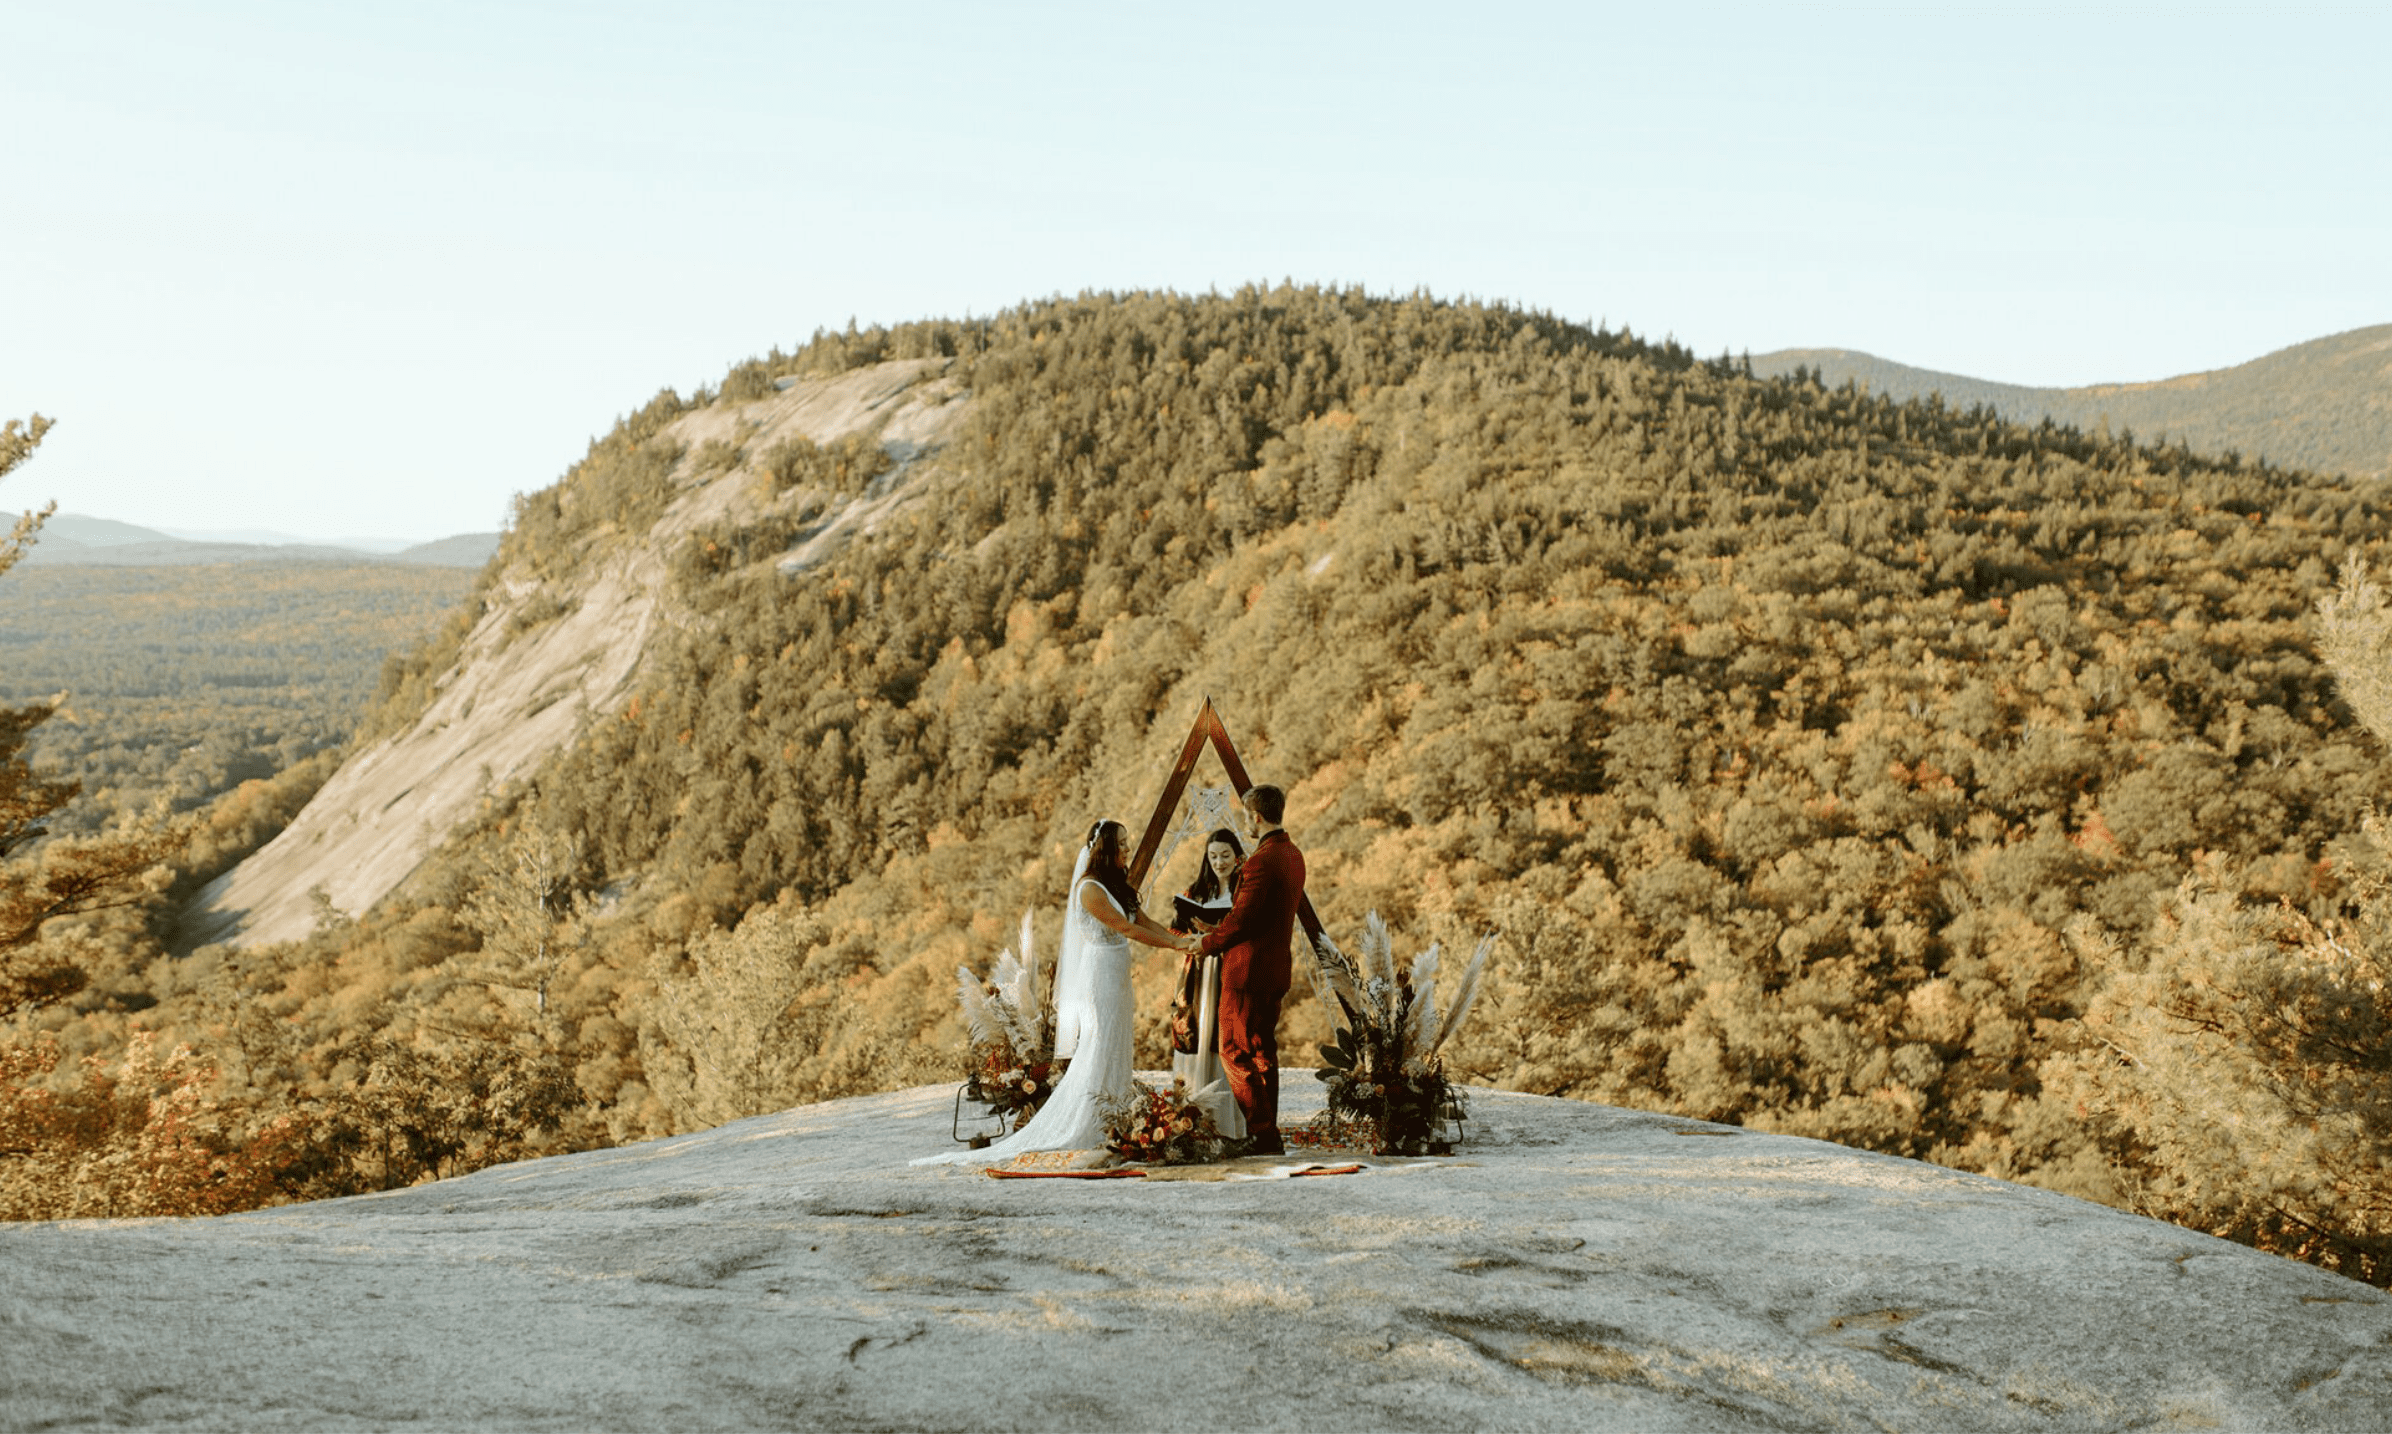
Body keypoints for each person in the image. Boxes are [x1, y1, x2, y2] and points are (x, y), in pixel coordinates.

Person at [915, 819, 1179, 1165]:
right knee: (1100, 1042)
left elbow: (1143, 920)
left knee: (1118, 1041)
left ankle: (1117, 1115)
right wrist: (1179, 947)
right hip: (1100, 974)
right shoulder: (1090, 889)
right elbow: (1127, 928)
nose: (1128, 849)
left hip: (1118, 975)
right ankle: (1095, 1119)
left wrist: (1179, 941)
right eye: (1123, 844)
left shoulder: (1117, 885)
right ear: (1105, 850)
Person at [1179, 784, 1304, 1156]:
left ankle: (1263, 1135)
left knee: (1233, 1050)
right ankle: (1268, 1133)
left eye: (1246, 815)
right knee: (1264, 1051)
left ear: (1256, 816)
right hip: (1277, 967)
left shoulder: (1259, 861)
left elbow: (1243, 920)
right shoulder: (1293, 855)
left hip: (1247, 971)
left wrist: (1206, 943)